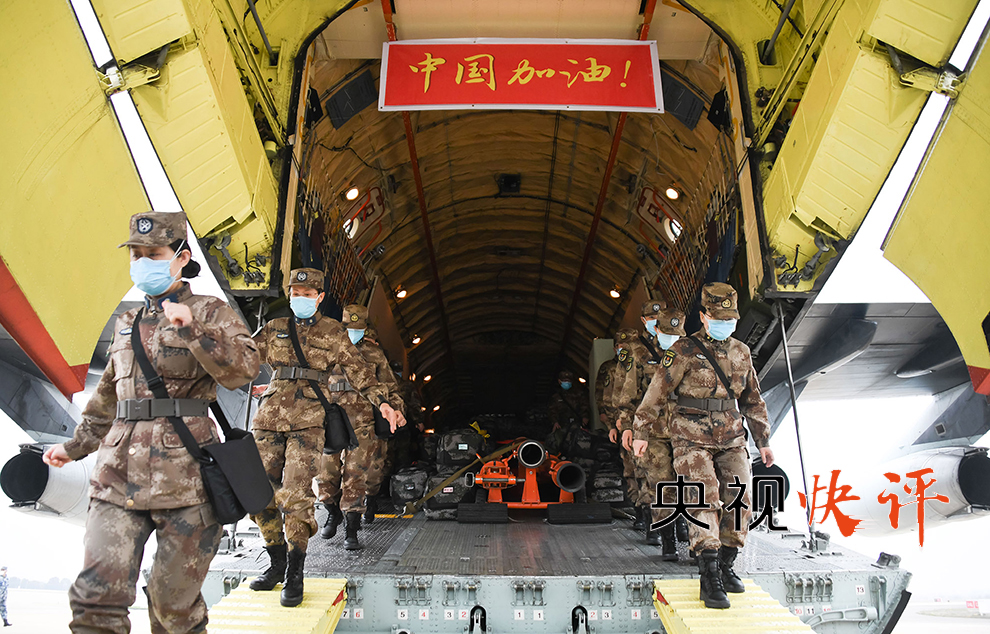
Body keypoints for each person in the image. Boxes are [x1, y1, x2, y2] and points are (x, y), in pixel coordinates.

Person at [43, 211, 260, 632]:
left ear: (181, 258)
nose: (142, 262)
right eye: (136, 255)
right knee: (95, 599)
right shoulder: (128, 322)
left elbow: (243, 371)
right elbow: (108, 396)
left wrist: (194, 330)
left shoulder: (211, 312)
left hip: (187, 481)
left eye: (153, 254)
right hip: (117, 477)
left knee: (172, 607)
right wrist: (74, 448)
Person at [249, 271, 403, 606]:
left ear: (319, 297)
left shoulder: (334, 332)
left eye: (307, 293)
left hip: (309, 422)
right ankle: (275, 559)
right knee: (258, 492)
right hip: (268, 419)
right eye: (295, 292)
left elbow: (361, 372)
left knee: (297, 494)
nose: (300, 298)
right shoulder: (274, 328)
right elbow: (239, 359)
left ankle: (295, 571)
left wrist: (385, 404)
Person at [633, 282, 773, 609]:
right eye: (719, 318)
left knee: (740, 498)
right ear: (704, 316)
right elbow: (657, 392)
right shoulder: (683, 350)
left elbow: (752, 399)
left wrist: (763, 440)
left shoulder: (741, 351)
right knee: (702, 496)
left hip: (731, 436)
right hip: (690, 434)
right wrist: (641, 431)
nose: (725, 324)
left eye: (730, 319)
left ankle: (727, 563)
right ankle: (708, 574)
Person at [315, 310, 404, 542]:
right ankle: (333, 512)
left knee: (356, 474)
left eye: (358, 329)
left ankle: (351, 529)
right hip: (332, 419)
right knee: (325, 472)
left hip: (363, 420)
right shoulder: (326, 348)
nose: (353, 333)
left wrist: (397, 409)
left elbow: (390, 387)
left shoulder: (374, 354)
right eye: (348, 329)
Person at [617, 302, 686, 558]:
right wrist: (626, 427)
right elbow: (628, 394)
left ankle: (688, 531)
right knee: (661, 484)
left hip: (687, 431)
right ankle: (667, 539)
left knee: (689, 484)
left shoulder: (691, 352)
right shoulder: (637, 353)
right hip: (653, 431)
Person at [545, 370, 589, 455]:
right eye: (564, 381)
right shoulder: (556, 396)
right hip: (562, 425)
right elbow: (552, 410)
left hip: (577, 424)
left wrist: (585, 419)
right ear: (559, 381)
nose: (567, 383)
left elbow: (585, 407)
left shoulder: (579, 394)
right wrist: (555, 422)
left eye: (568, 381)